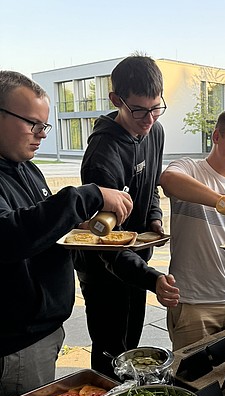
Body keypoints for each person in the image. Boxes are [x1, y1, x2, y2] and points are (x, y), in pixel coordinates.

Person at [0, 71, 135, 396]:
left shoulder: (26, 166)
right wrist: (87, 196)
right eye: (32, 123)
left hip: (44, 330)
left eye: (44, 126)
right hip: (17, 342)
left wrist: (80, 228)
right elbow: (9, 236)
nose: (41, 134)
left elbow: (39, 230)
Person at [73, 55, 180, 377]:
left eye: (156, 107)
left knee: (131, 347)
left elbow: (149, 189)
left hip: (136, 257)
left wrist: (155, 220)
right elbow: (103, 240)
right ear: (116, 100)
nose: (149, 119)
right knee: (110, 352)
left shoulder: (155, 131)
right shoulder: (102, 156)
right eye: (139, 110)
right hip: (105, 267)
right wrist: (153, 279)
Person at [159, 107, 225, 350]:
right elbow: (167, 180)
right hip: (192, 303)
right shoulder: (190, 169)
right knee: (190, 380)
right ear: (216, 136)